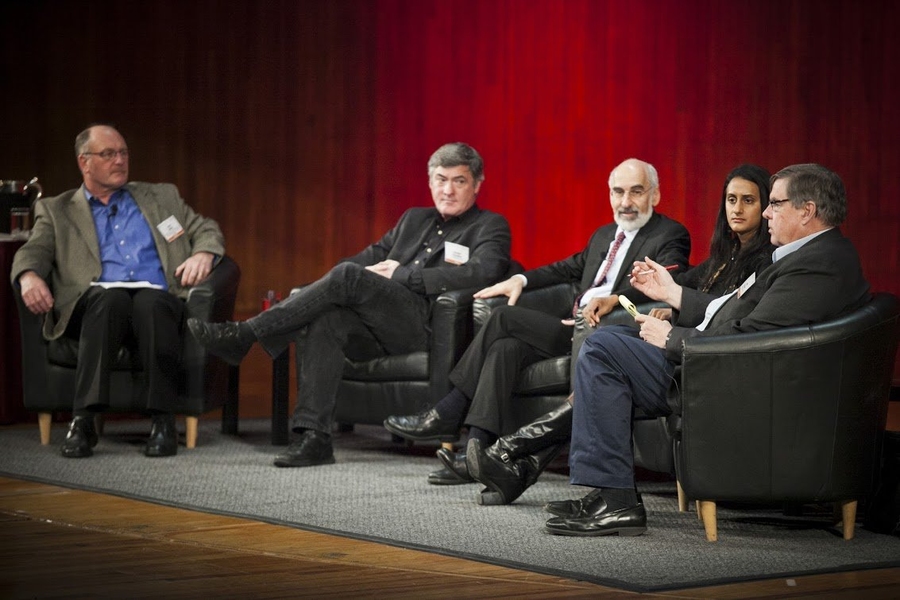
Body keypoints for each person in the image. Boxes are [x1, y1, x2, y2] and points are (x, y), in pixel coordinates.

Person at [540, 163, 870, 537]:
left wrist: (672, 339)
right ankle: (609, 494)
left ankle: (613, 500)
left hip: (736, 381)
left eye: (774, 203)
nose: (764, 213)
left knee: (603, 347)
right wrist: (672, 294)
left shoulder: (819, 263)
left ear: (807, 211)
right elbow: (736, 308)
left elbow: (754, 337)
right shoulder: (802, 256)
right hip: (726, 367)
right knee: (614, 342)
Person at [464, 163, 778, 505]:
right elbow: (682, 287)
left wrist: (667, 308)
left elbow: (729, 314)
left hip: (699, 358)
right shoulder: (727, 254)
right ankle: (520, 466)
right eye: (731, 199)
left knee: (603, 349)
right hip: (682, 346)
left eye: (748, 200)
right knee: (567, 347)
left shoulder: (766, 261)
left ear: (766, 207)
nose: (737, 208)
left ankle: (511, 449)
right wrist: (669, 304)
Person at [188, 142, 512, 468]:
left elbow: (485, 272)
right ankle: (315, 438)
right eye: (441, 180)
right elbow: (363, 260)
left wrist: (403, 275)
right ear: (430, 183)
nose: (448, 190)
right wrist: (347, 281)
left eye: (459, 181)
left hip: (425, 326)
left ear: (476, 185)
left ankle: (246, 335)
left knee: (347, 277)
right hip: (378, 326)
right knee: (326, 316)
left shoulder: (490, 225)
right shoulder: (413, 219)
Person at [384, 158, 691, 486]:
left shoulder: (669, 234)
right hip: (572, 326)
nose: (626, 202)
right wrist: (521, 280)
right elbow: (565, 268)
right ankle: (476, 452)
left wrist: (615, 299)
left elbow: (669, 280)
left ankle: (449, 411)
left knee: (502, 317)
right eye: (618, 192)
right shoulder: (604, 235)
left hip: (606, 330)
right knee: (505, 347)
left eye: (636, 192)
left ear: (654, 196)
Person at [11, 124, 225, 459]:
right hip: (95, 299)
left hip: (155, 294)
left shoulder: (161, 197)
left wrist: (203, 253)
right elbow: (34, 250)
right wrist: (27, 275)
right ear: (85, 162)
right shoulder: (57, 209)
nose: (120, 160)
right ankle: (83, 420)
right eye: (108, 154)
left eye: (123, 152)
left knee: (152, 304)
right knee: (109, 301)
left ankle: (163, 421)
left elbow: (205, 227)